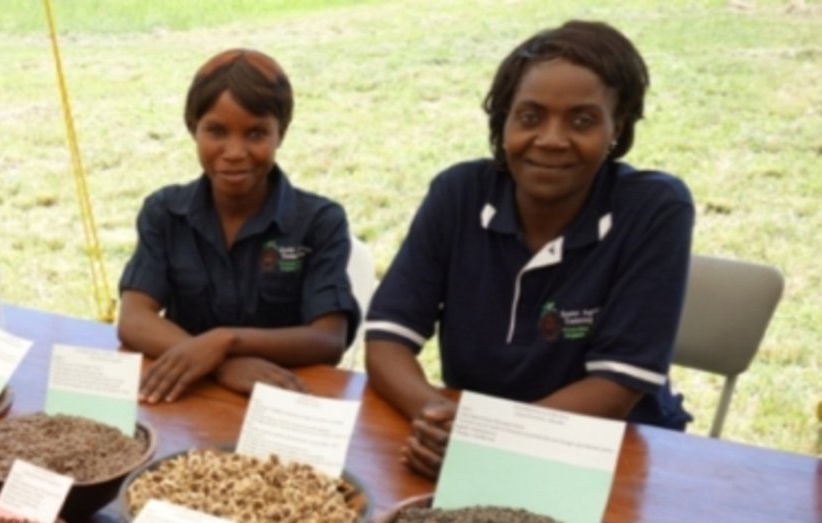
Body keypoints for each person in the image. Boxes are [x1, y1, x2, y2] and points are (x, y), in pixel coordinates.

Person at [364, 21, 694, 478]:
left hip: (602, 452)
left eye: (582, 120)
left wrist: (489, 444)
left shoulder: (654, 209)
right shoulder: (459, 194)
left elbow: (617, 386)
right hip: (465, 444)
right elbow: (387, 340)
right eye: (530, 116)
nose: (552, 139)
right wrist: (434, 418)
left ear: (617, 126)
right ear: (503, 122)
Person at [117, 49, 361, 404]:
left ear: (281, 134)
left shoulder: (319, 222)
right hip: (190, 396)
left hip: (283, 398)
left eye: (256, 134)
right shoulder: (165, 212)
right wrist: (219, 364)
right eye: (216, 131)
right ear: (192, 129)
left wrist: (224, 342)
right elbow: (134, 318)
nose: (234, 151)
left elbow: (328, 339)